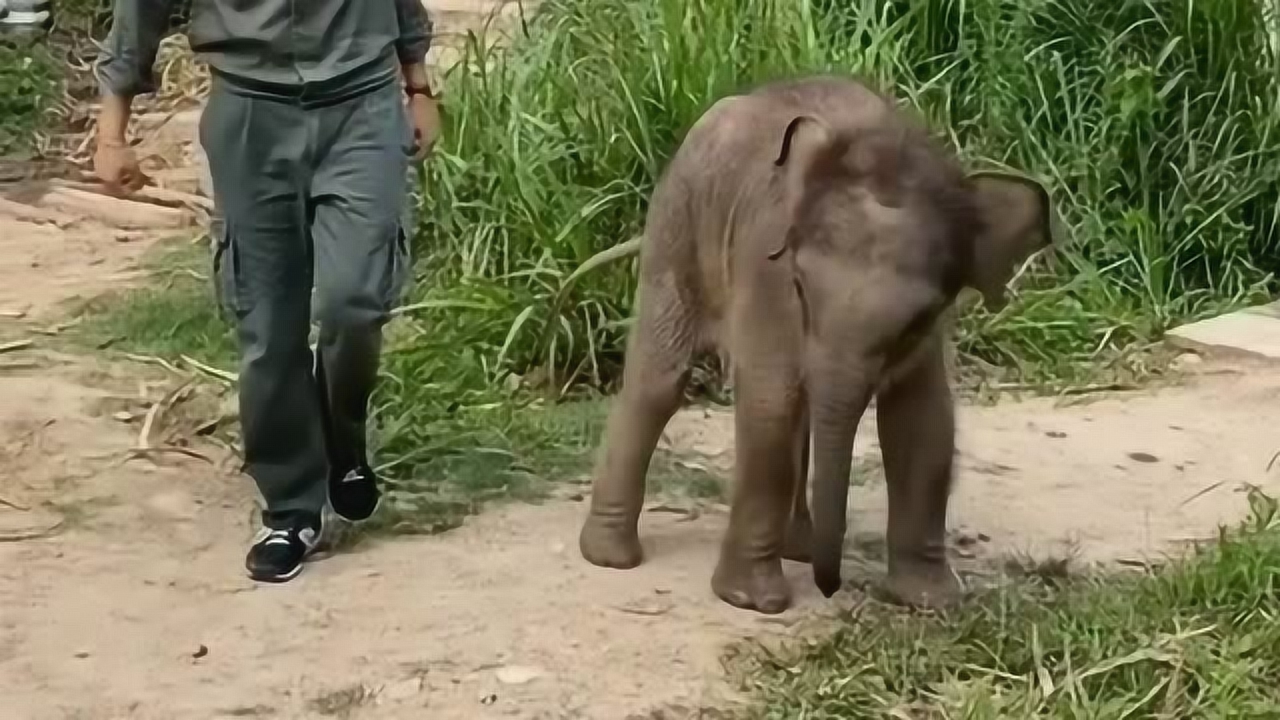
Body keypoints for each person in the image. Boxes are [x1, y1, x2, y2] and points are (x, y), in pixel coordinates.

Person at [93, 0, 441, 583]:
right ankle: (291, 506)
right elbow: (140, 10)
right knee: (268, 322)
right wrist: (111, 131)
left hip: (361, 105)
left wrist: (420, 87)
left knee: (353, 301)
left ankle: (342, 440)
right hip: (251, 110)